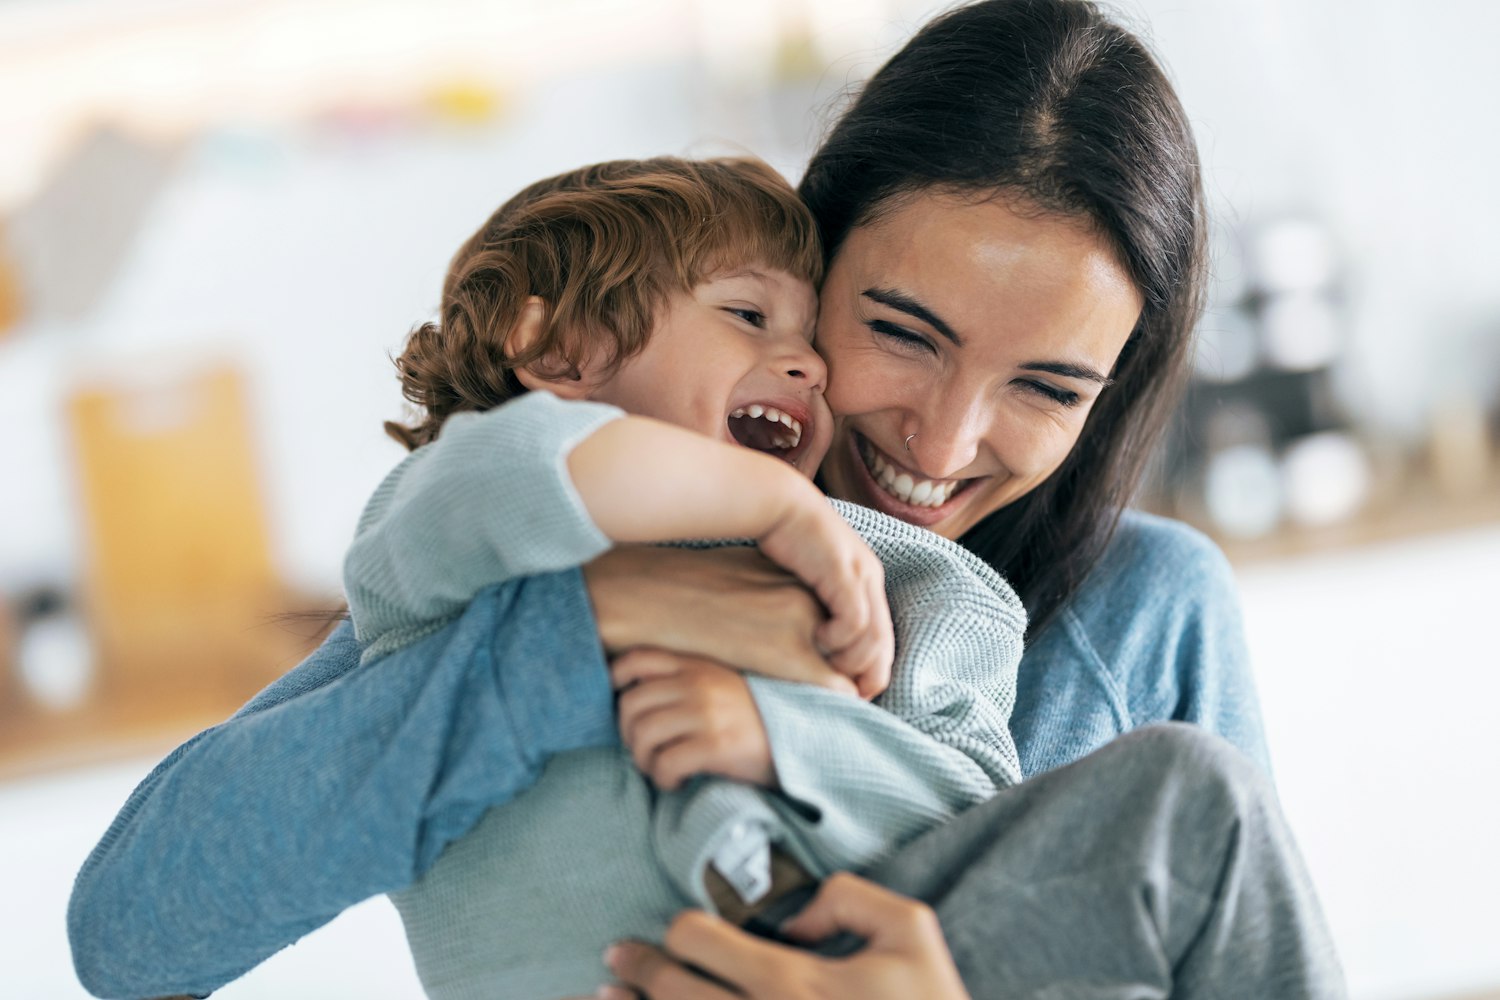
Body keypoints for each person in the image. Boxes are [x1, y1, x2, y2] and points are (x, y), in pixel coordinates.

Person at [68, 1, 1335, 997]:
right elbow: (131, 929)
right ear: (804, 262)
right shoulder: (563, 545)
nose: (945, 438)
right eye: (902, 330)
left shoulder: (1140, 617)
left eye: (1047, 387)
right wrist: (597, 624)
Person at [339, 155, 1027, 997]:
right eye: (748, 313)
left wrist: (779, 738)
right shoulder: (442, 535)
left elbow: (991, 820)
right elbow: (508, 462)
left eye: (810, 337)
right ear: (561, 352)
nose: (809, 366)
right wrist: (774, 508)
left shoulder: (908, 576)